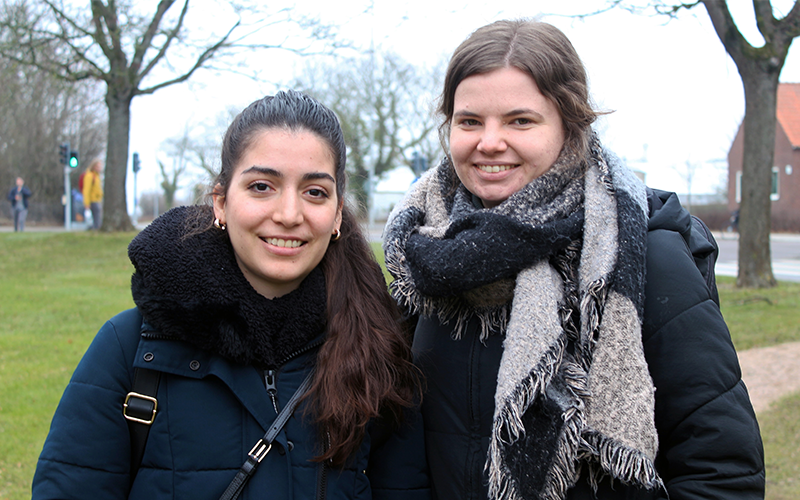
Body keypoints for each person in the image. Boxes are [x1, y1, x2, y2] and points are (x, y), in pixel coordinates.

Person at [383, 19, 764, 500]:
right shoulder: (419, 258)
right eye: (470, 121)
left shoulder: (645, 256)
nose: (490, 142)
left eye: (520, 120)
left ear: (570, 123)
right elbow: (398, 449)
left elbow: (721, 470)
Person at [33, 90, 429, 500]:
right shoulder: (131, 349)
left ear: (336, 215)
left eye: (315, 192)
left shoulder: (380, 350)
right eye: (262, 186)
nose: (289, 214)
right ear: (221, 202)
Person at [82, 159, 104, 229]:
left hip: (98, 200)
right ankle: (95, 230)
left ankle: (95, 229)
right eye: (98, 166)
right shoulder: (90, 176)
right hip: (92, 200)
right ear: (94, 166)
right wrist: (87, 203)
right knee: (96, 218)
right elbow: (86, 190)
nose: (100, 168)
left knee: (98, 217)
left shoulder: (97, 176)